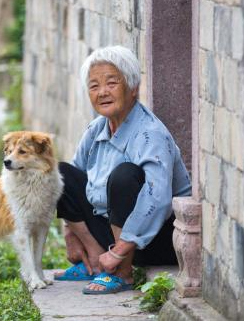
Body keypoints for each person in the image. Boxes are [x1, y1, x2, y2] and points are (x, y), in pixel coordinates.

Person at [53, 45, 192, 294]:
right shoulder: (97, 128)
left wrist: (119, 251)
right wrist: (70, 233)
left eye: (111, 83)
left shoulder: (150, 134)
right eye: (94, 86)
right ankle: (96, 260)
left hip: (154, 238)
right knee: (59, 174)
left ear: (133, 87)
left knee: (124, 175)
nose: (102, 92)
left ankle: (122, 272)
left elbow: (158, 199)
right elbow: (75, 176)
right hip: (111, 227)